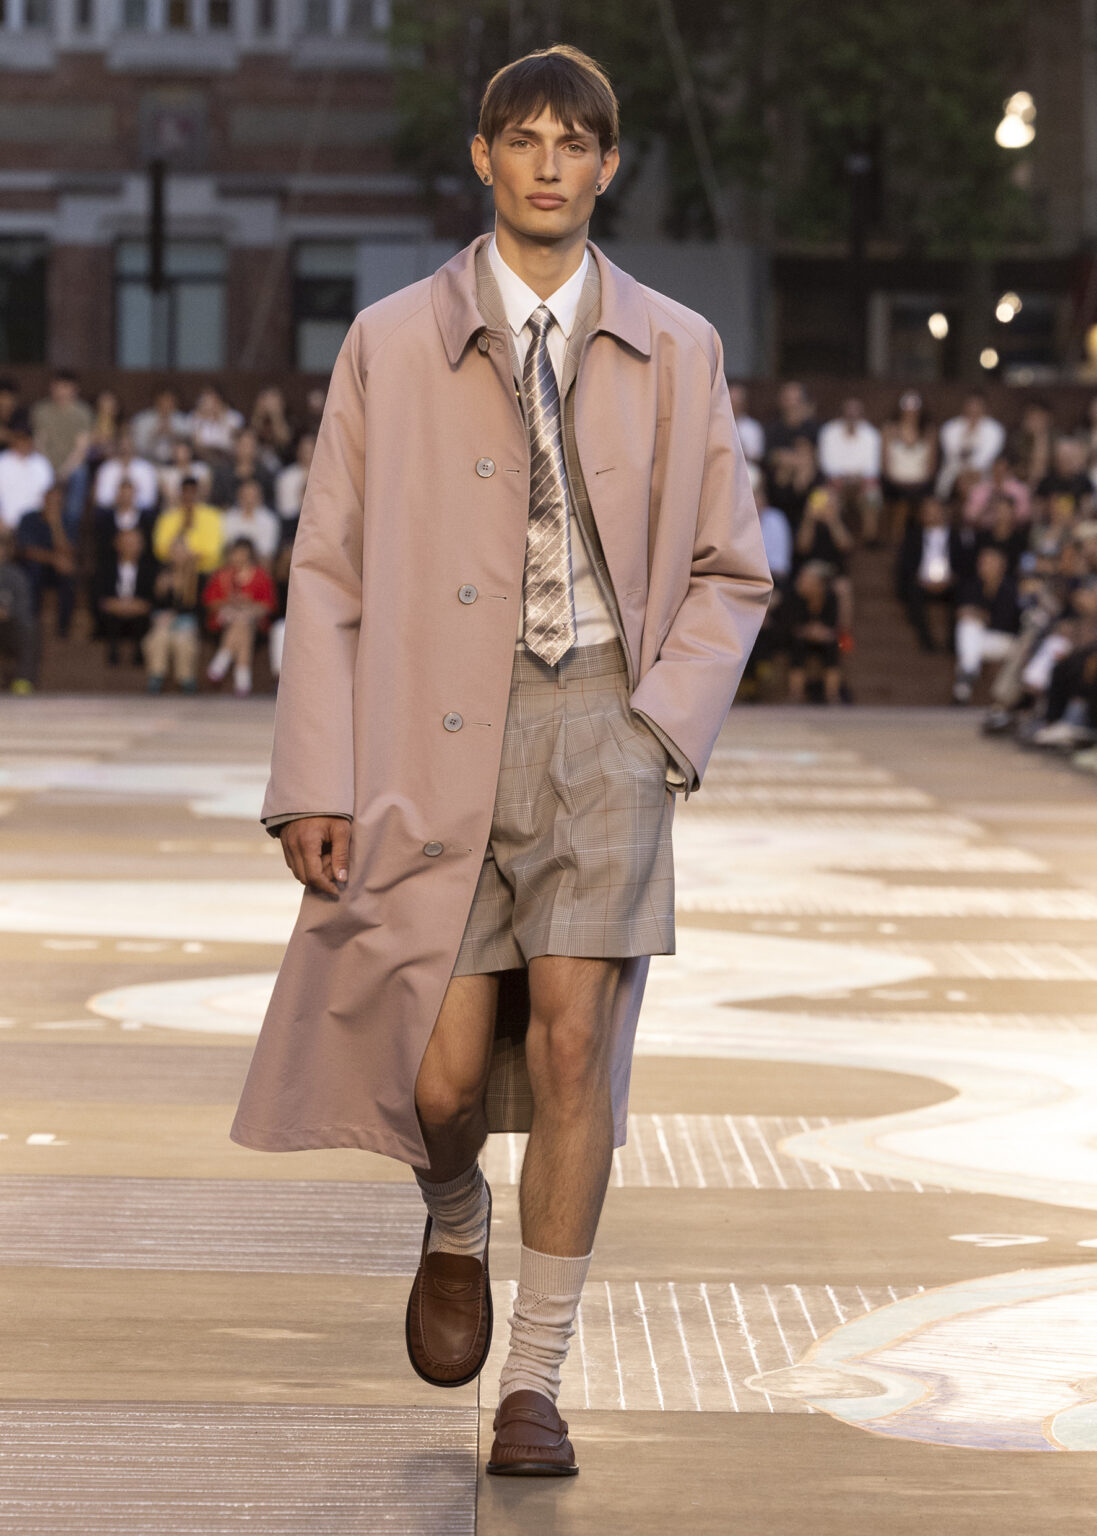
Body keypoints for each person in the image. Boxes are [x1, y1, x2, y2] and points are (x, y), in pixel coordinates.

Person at [228, 44, 770, 1480]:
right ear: (483, 157)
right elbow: (328, 566)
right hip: (428, 728)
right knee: (440, 1077)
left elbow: (729, 569)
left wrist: (659, 726)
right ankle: (454, 1211)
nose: (546, 164)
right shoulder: (390, 340)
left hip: (603, 724)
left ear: (606, 166)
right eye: (521, 139)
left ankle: (535, 1379)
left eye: (571, 143)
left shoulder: (678, 347)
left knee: (581, 1045)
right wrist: (314, 779)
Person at [202, 536, 277, 696]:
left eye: (243, 554)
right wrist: (230, 602)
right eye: (236, 553)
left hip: (253, 622)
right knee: (241, 626)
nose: (239, 558)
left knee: (242, 623)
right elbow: (209, 602)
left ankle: (219, 665)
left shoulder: (261, 576)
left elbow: (269, 605)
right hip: (224, 621)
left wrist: (249, 605)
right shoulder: (222, 575)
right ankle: (242, 681)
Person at [953, 544, 1020, 703]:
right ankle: (967, 675)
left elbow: (1008, 622)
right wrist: (975, 615)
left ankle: (965, 679)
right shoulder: (973, 585)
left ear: (1001, 565)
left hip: (1008, 641)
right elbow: (963, 611)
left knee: (970, 641)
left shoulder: (1012, 588)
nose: (983, 566)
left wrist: (982, 616)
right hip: (981, 640)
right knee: (967, 627)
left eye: (989, 562)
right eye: (982, 562)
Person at [30, 371, 93, 539]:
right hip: (46, 464)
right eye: (57, 386)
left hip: (72, 467)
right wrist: (48, 469)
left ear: (75, 389)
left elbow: (81, 449)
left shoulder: (82, 412)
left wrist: (64, 471)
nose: (61, 391)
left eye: (66, 386)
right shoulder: (41, 410)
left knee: (80, 474)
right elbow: (39, 444)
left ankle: (70, 535)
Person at [895, 495, 960, 652]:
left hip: (950, 583)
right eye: (927, 511)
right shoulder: (912, 537)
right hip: (921, 583)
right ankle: (927, 643)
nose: (931, 514)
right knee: (912, 592)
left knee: (962, 592)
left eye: (934, 510)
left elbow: (964, 563)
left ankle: (952, 643)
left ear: (943, 512)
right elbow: (905, 565)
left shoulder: (956, 536)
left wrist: (951, 579)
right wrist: (920, 579)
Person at [816, 395, 882, 544]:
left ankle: (869, 539)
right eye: (848, 413)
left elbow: (872, 470)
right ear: (841, 414)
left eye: (855, 413)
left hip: (863, 485)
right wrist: (844, 480)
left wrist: (856, 480)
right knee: (816, 501)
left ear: (862, 415)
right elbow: (827, 467)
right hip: (833, 485)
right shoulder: (828, 432)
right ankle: (840, 543)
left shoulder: (871, 434)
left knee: (873, 496)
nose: (852, 417)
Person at [15, 484, 77, 639]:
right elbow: (27, 550)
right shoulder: (29, 518)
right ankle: (31, 622)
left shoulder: (67, 520)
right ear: (43, 500)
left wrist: (56, 525)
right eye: (50, 501)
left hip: (56, 570)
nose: (52, 505)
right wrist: (54, 559)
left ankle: (63, 627)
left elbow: (68, 552)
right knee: (34, 571)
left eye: (57, 502)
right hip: (33, 567)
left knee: (68, 575)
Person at [144, 537, 203, 694]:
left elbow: (197, 607)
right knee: (159, 637)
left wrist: (179, 599)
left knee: (182, 640)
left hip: (186, 621)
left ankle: (186, 679)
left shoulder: (197, 577)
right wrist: (161, 591)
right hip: (163, 620)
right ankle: (156, 676)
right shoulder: (161, 574)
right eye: (174, 552)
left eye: (181, 551)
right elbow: (153, 604)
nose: (178, 555)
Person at [94, 525, 157, 665]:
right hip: (112, 616)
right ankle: (112, 657)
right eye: (127, 543)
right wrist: (119, 606)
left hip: (140, 616)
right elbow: (99, 597)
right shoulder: (105, 568)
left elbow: (151, 599)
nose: (130, 547)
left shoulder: (150, 569)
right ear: (117, 544)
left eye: (134, 543)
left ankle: (139, 657)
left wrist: (134, 606)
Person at [880, 390, 937, 540]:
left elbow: (931, 465)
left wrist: (921, 482)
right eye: (907, 407)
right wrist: (896, 481)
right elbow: (884, 463)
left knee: (926, 502)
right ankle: (897, 539)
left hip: (922, 483)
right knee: (902, 502)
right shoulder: (889, 430)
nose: (910, 412)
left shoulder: (929, 432)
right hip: (894, 483)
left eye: (914, 408)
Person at [785, 560, 843, 703]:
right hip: (800, 638)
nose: (801, 582)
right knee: (797, 646)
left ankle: (832, 694)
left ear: (819, 584)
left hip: (823, 638)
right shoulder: (795, 597)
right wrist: (810, 631)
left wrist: (821, 632)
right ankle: (795, 693)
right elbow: (791, 625)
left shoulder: (831, 598)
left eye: (806, 579)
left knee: (833, 647)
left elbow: (833, 626)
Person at [936, 390, 1007, 500]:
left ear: (985, 407)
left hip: (983, 472)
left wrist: (973, 473)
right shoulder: (950, 427)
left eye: (978, 405)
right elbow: (952, 454)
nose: (974, 410)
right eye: (970, 405)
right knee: (953, 484)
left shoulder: (995, 429)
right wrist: (963, 474)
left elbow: (987, 457)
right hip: (955, 470)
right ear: (964, 406)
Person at [153, 475, 224, 573]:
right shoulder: (168, 517)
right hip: (174, 571)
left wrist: (189, 557)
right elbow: (160, 548)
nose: (189, 496)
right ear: (180, 494)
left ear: (199, 494)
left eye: (193, 492)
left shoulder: (212, 516)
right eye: (186, 492)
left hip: (203, 572)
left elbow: (213, 550)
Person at [0, 525, 38, 693]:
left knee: (29, 628)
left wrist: (7, 612)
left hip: (9, 626)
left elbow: (24, 605)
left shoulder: (16, 575)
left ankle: (23, 680)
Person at [0, 414, 54, 533]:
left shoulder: (42, 464)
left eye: (26, 439)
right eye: (19, 438)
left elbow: (49, 497)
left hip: (35, 524)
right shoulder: (2, 462)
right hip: (6, 523)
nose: (22, 443)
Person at [93, 428, 160, 515]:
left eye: (128, 445)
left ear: (134, 446)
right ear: (117, 447)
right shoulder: (106, 468)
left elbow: (149, 500)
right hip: (111, 513)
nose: (125, 449)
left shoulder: (146, 469)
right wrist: (120, 501)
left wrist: (130, 502)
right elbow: (101, 499)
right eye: (122, 445)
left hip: (139, 514)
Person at [220, 477, 281, 566]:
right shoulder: (228, 517)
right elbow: (227, 545)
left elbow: (267, 551)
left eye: (253, 496)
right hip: (233, 563)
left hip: (258, 564)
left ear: (260, 497)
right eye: (245, 496)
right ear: (238, 496)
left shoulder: (269, 520)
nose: (249, 500)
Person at [131, 389, 190, 464]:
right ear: (156, 402)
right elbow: (137, 447)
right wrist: (155, 435)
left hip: (175, 464)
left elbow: (189, 445)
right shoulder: (142, 420)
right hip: (147, 462)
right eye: (163, 403)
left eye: (170, 403)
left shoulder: (182, 420)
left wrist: (173, 435)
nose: (166, 407)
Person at [727, 382, 765, 464]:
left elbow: (756, 454)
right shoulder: (717, 425)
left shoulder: (753, 427)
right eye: (731, 401)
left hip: (746, 466)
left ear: (743, 403)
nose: (734, 405)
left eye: (737, 401)